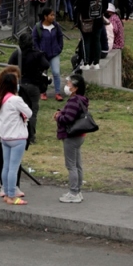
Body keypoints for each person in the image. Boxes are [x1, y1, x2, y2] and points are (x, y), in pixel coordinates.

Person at [0, 70, 33, 206]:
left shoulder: (0, 99)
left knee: (6, 166)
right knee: (13, 168)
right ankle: (11, 196)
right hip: (18, 137)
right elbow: (29, 112)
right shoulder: (15, 99)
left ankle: (5, 192)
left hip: (5, 137)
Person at [54, 73, 90, 203]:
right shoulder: (81, 99)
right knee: (77, 164)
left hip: (71, 136)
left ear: (75, 88)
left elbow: (68, 118)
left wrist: (58, 117)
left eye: (68, 84)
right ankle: (77, 191)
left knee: (71, 165)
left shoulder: (74, 101)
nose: (66, 86)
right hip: (79, 136)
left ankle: (74, 192)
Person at [32, 8, 64, 101]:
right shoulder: (38, 27)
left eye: (53, 15)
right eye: (51, 15)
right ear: (45, 17)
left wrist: (59, 48)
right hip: (43, 56)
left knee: (56, 73)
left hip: (54, 53)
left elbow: (60, 37)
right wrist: (39, 52)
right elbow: (34, 40)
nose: (53, 17)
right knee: (43, 74)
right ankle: (43, 92)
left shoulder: (56, 26)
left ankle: (57, 93)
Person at [75, 0, 105, 69]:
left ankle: (86, 62)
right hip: (99, 21)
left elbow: (77, 7)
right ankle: (96, 62)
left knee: (86, 42)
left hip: (86, 23)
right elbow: (106, 6)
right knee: (97, 41)